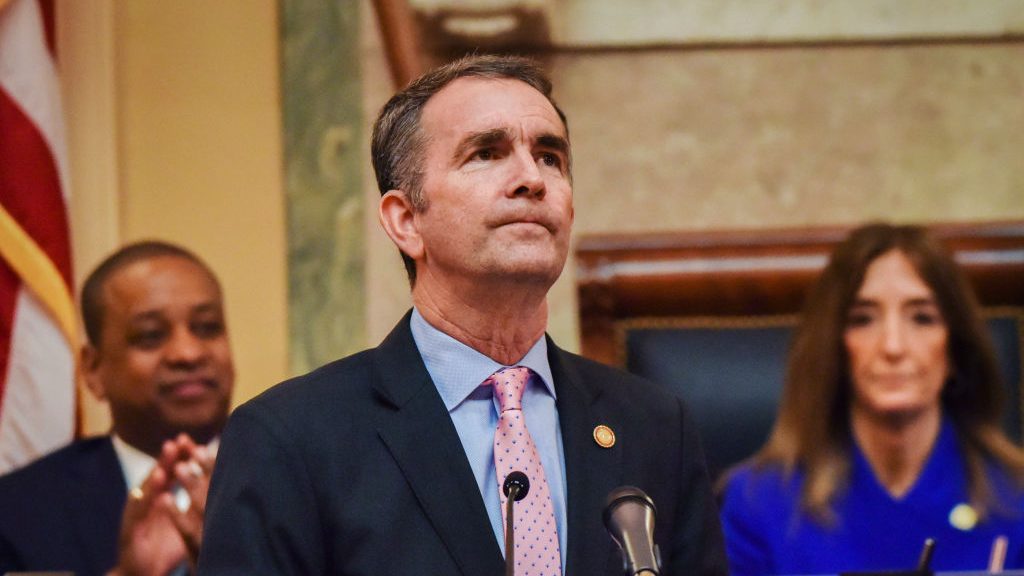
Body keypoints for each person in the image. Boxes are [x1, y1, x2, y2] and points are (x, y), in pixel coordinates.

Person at [198, 54, 727, 575]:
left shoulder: (656, 426)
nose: (532, 179)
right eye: (486, 153)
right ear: (406, 220)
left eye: (550, 157)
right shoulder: (288, 440)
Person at [720, 223, 1024, 574]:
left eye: (922, 318)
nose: (893, 346)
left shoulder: (1016, 496)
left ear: (955, 348)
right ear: (834, 346)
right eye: (863, 319)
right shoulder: (756, 504)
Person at [0, 241, 235, 576]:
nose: (188, 353)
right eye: (151, 335)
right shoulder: (17, 509)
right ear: (93, 370)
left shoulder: (293, 479)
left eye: (208, 327)